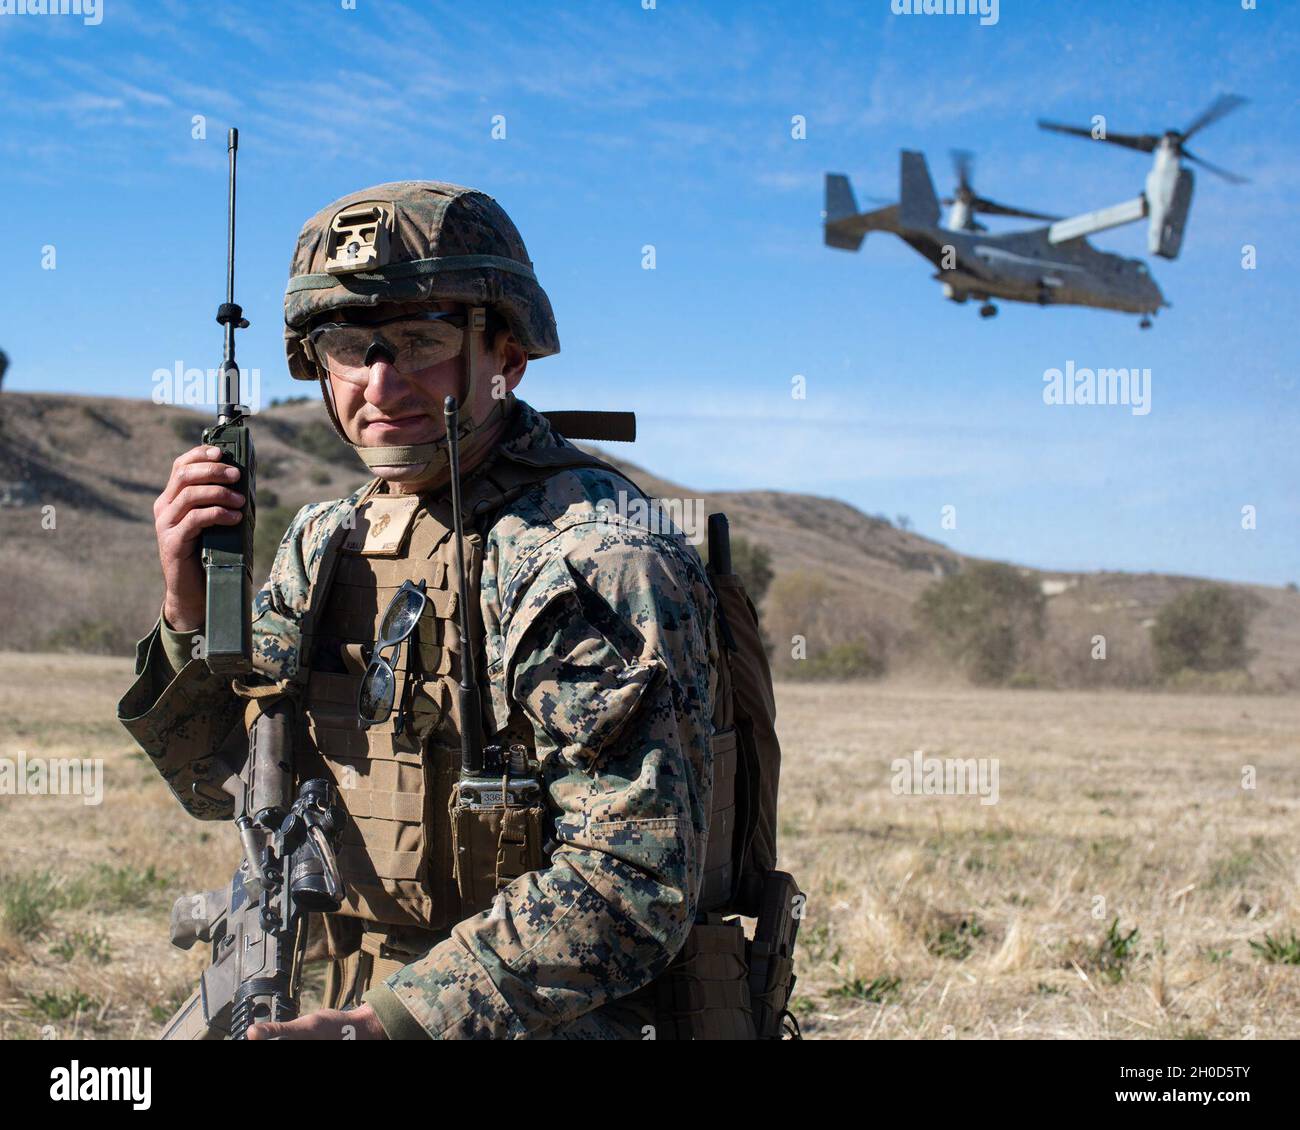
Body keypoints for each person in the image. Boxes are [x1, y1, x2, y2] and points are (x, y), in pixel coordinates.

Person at [118, 181, 725, 1039]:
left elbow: (632, 882)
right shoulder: (328, 538)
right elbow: (227, 789)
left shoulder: (589, 554)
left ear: (505, 355)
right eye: (346, 346)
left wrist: (392, 1024)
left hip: (537, 1014)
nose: (379, 381)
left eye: (420, 341)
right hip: (332, 981)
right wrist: (187, 612)